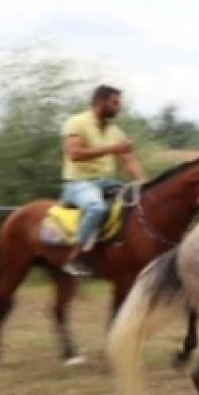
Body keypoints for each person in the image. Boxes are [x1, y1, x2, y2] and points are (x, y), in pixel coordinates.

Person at [58, 84, 146, 276]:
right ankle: (76, 256)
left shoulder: (116, 132)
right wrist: (111, 149)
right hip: (78, 184)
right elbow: (74, 154)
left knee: (139, 204)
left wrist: (145, 184)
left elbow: (128, 162)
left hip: (108, 183)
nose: (118, 107)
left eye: (119, 103)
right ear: (99, 102)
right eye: (114, 103)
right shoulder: (76, 123)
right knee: (97, 208)